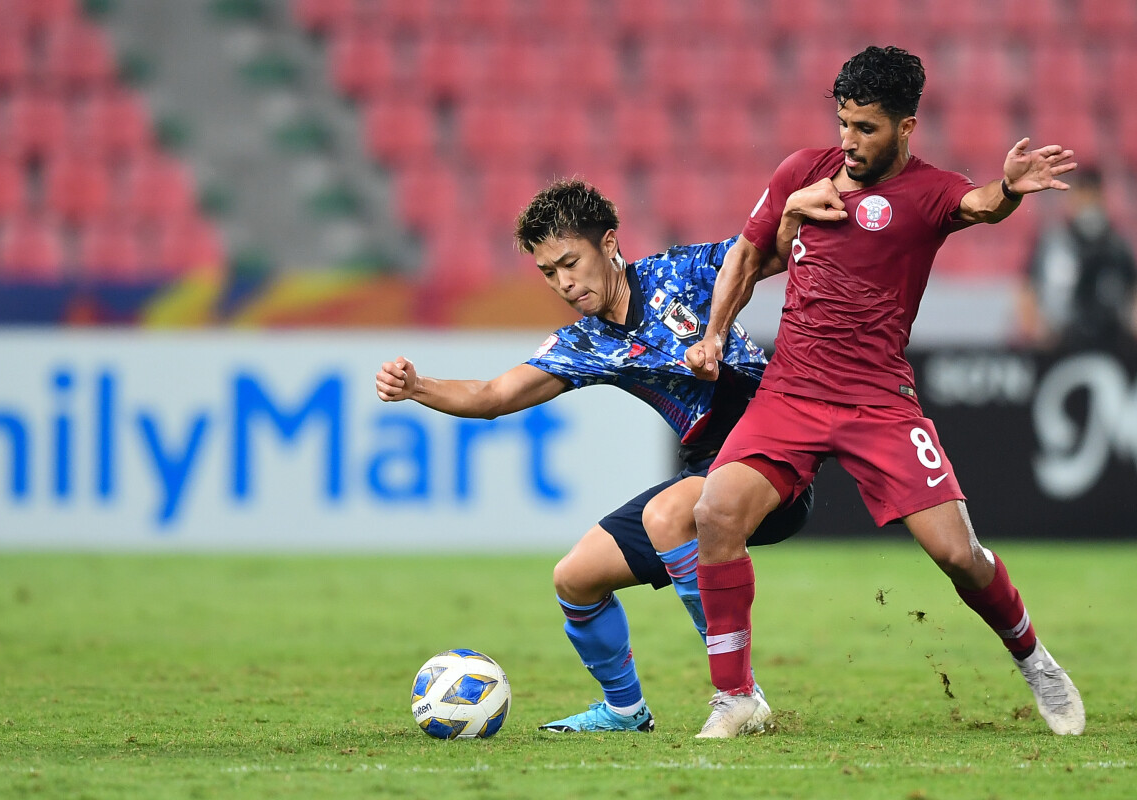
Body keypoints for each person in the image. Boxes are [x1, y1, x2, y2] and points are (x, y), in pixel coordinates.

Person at [683, 45, 1086, 738]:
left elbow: (979, 204)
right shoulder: (800, 173)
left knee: (959, 555)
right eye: (843, 122)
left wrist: (1011, 187)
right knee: (716, 514)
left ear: (905, 127)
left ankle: (1035, 659)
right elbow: (748, 256)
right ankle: (736, 697)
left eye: (866, 127)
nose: (850, 140)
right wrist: (715, 333)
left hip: (878, 403)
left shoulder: (928, 191)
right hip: (792, 394)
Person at [376, 179, 812, 733]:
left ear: (608, 244)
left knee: (667, 515)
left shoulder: (680, 274)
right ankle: (626, 712)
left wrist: (798, 207)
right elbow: (493, 397)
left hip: (769, 459)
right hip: (703, 471)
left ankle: (740, 694)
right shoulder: (586, 343)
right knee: (575, 578)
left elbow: (764, 251)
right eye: (549, 273)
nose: (563, 282)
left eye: (569, 262)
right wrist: (418, 387)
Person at [1014, 164, 1137, 353]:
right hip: (1059, 343)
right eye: (1082, 196)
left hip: (1112, 343)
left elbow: (1132, 291)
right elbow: (1027, 288)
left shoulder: (1116, 246)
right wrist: (1038, 331)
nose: (1087, 204)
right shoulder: (1053, 243)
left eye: (1092, 197)